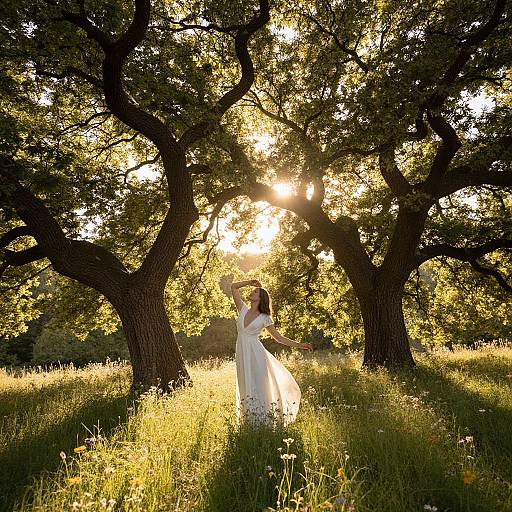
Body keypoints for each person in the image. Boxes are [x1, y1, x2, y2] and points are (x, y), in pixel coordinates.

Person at [230, 279, 313, 429]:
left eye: (256, 291)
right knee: (245, 384)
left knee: (260, 385)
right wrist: (250, 282)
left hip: (256, 354)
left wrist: (300, 345)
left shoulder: (265, 318)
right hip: (242, 353)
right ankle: (249, 424)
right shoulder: (242, 309)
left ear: (261, 298)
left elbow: (279, 338)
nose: (252, 292)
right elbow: (233, 287)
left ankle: (267, 422)